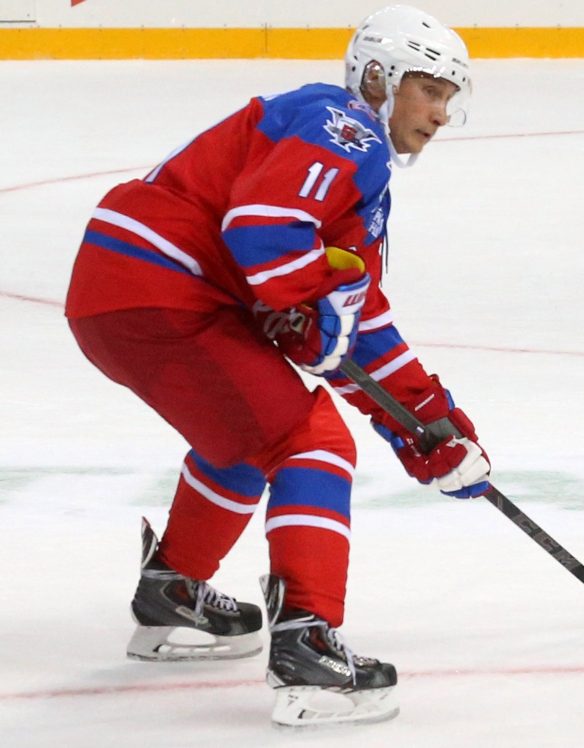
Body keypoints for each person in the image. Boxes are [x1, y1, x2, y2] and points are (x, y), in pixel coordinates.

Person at [64, 4, 489, 728]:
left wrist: (428, 423)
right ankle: (307, 646)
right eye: (429, 90)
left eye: (449, 97)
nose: (440, 114)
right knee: (310, 440)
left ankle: (174, 592)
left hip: (124, 288)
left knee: (251, 432)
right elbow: (264, 230)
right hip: (164, 287)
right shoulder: (346, 128)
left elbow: (357, 322)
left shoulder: (344, 161)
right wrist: (305, 305)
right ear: (378, 79)